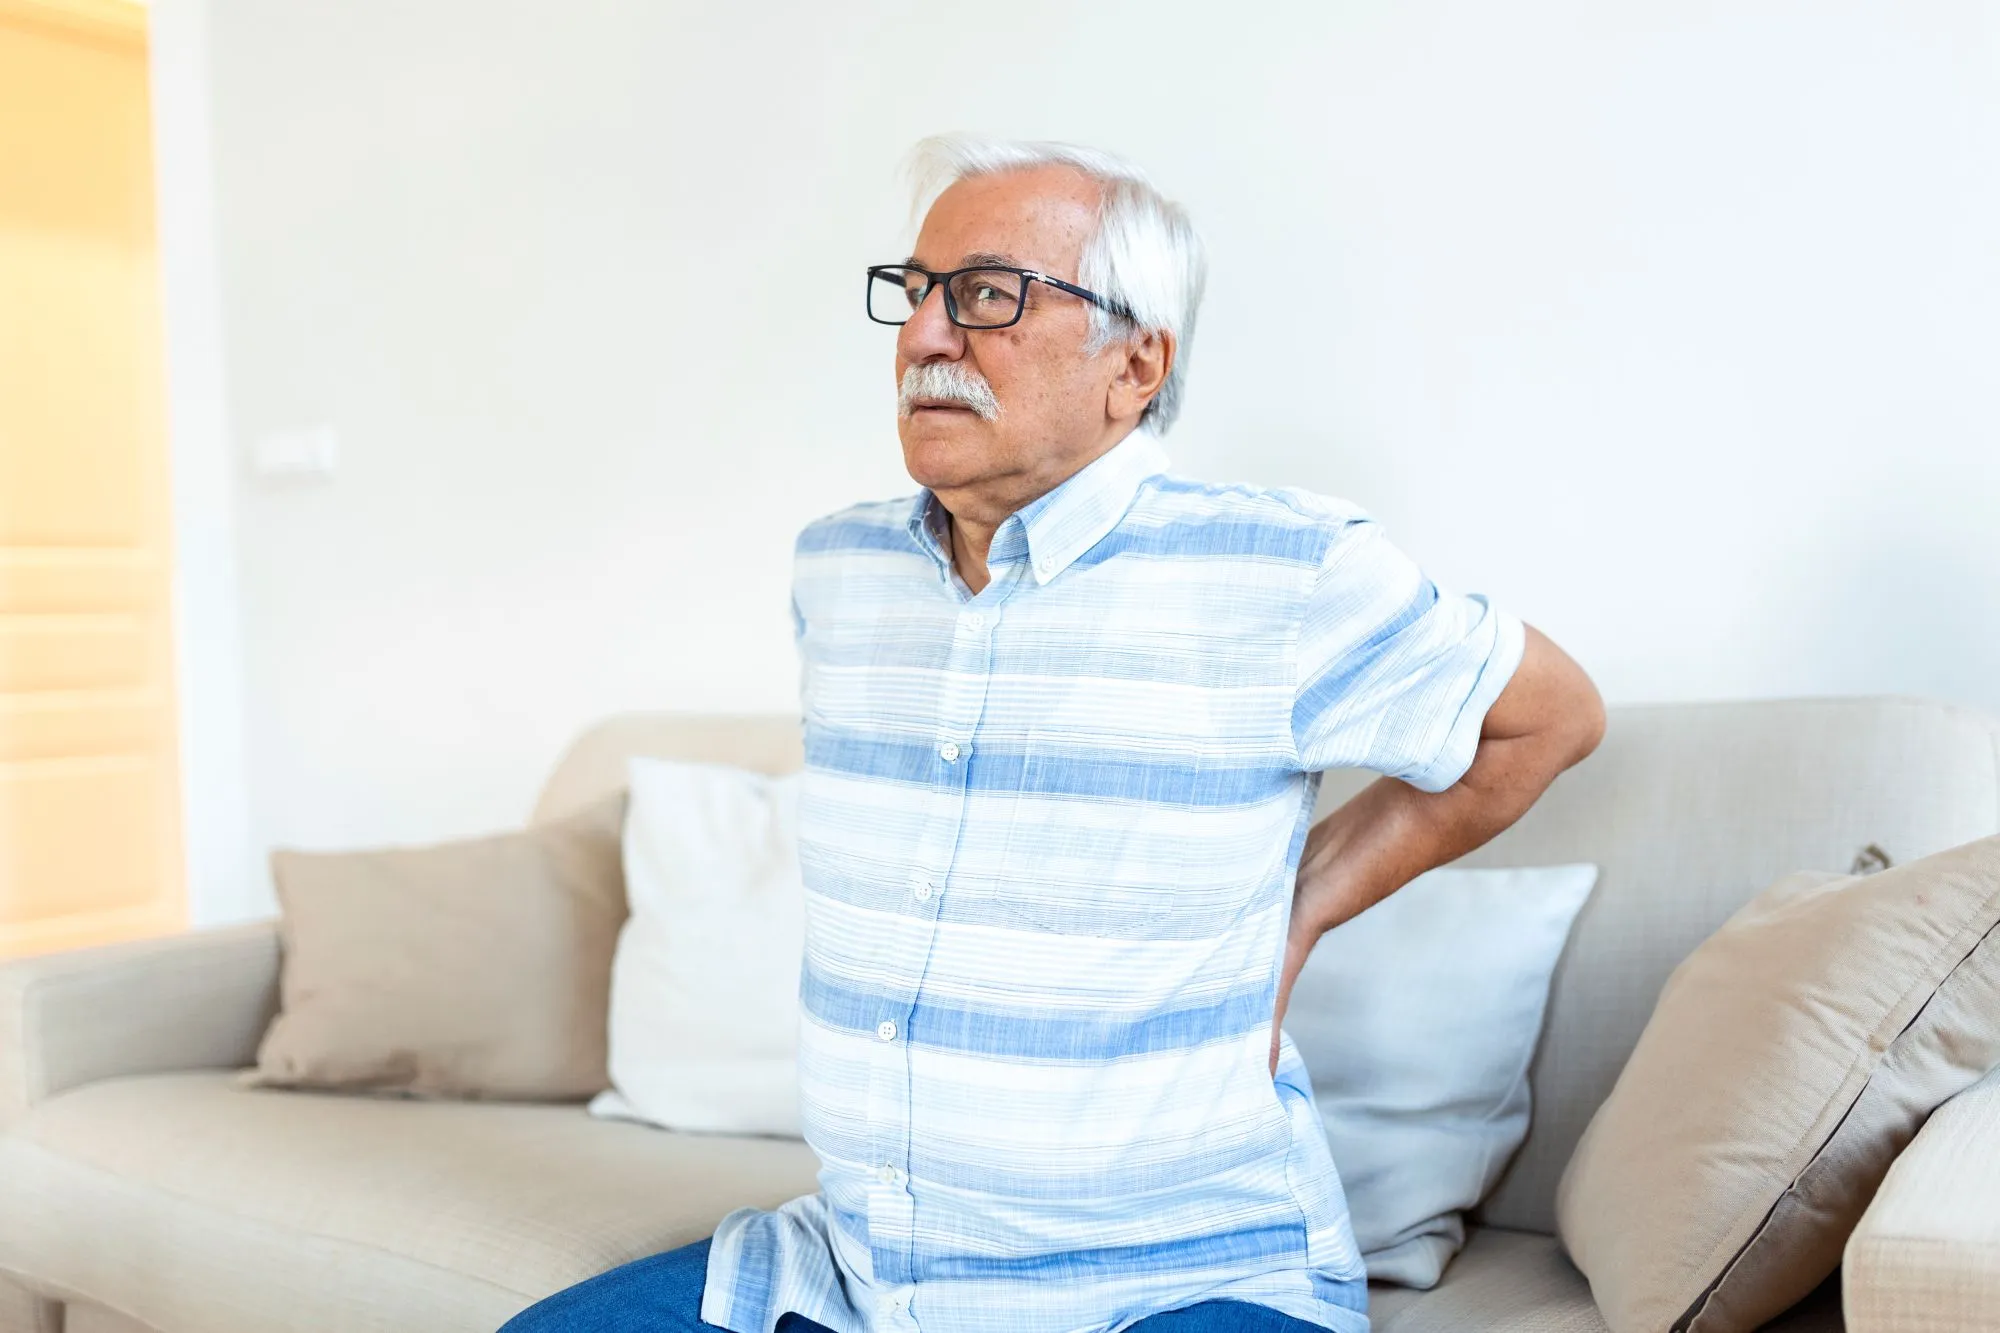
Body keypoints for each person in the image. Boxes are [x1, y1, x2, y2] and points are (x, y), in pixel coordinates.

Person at [503, 134, 1605, 1333]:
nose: (923, 337)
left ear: (1133, 364)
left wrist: (1303, 903)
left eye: (983, 295)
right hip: (859, 1277)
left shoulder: (1278, 570)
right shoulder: (840, 570)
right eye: (914, 294)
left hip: (1180, 1281)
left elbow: (1546, 718)